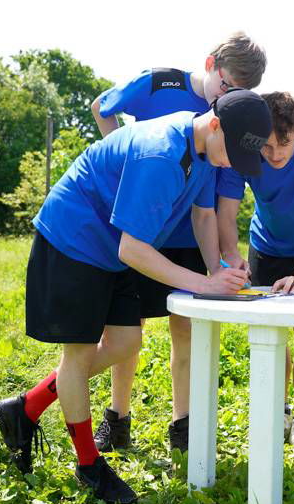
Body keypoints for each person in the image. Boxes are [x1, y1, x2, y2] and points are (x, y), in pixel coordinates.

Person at [0, 89, 271, 504]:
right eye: (233, 153)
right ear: (214, 124)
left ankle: (25, 408)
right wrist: (204, 284)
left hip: (113, 246)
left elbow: (203, 215)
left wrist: (216, 269)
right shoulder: (160, 154)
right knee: (78, 355)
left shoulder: (205, 150)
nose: (232, 163)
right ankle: (89, 466)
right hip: (75, 238)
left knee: (125, 342)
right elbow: (133, 250)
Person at [89, 32, 266, 454]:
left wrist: (218, 264)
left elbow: (208, 210)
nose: (224, 97)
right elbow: (101, 107)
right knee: (127, 326)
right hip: (141, 230)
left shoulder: (231, 121)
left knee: (184, 328)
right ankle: (117, 418)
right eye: (225, 85)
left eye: (236, 93)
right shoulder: (158, 83)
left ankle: (183, 426)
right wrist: (124, 170)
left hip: (189, 233)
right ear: (210, 64)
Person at [216, 91, 294, 458]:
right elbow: (226, 212)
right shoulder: (246, 150)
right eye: (267, 146)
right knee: (271, 334)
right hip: (266, 247)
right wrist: (231, 256)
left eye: (283, 144)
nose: (274, 155)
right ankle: (279, 411)